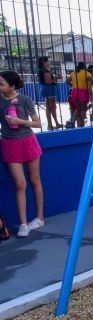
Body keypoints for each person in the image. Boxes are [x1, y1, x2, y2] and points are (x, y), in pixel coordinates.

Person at [0, 71, 45, 237]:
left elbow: (38, 123)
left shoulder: (24, 99)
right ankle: (23, 223)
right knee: (20, 184)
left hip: (28, 142)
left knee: (35, 180)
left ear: (11, 86)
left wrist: (19, 121)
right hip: (9, 144)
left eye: (1, 84)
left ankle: (39, 218)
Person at [38, 56, 61, 130]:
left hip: (47, 89)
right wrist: (56, 78)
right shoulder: (45, 71)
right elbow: (48, 82)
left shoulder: (42, 70)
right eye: (48, 61)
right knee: (50, 107)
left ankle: (55, 123)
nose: (49, 62)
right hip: (49, 90)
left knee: (52, 107)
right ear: (44, 62)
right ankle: (50, 125)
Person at [68, 62, 92, 127]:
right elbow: (91, 81)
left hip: (74, 91)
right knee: (83, 109)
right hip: (83, 91)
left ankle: (72, 123)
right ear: (84, 66)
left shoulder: (73, 73)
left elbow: (67, 81)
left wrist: (72, 85)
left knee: (78, 109)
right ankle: (81, 122)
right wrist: (89, 90)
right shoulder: (86, 73)